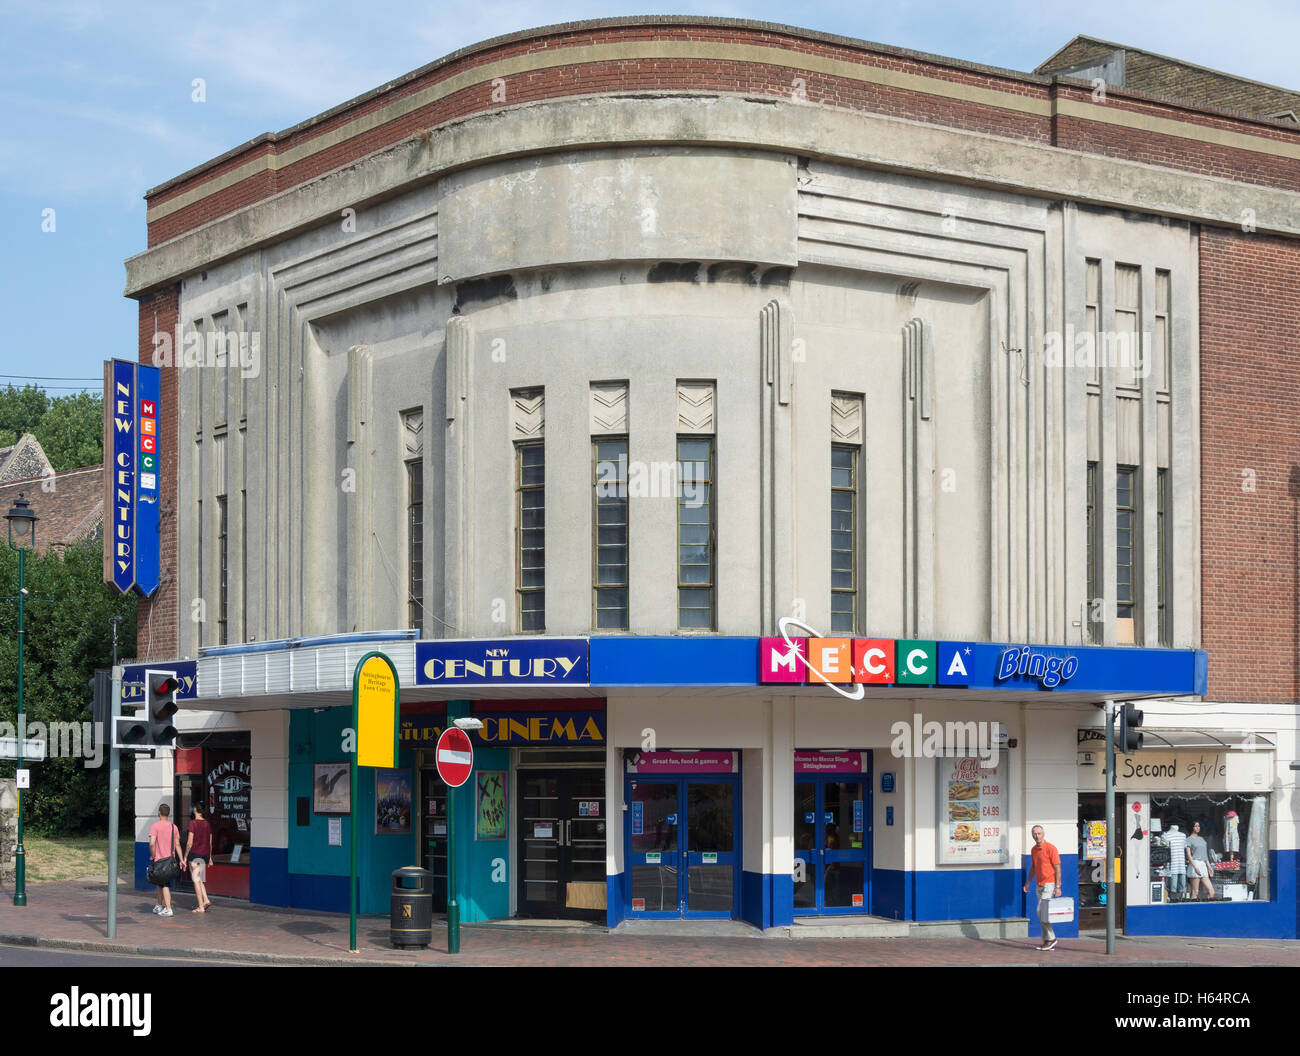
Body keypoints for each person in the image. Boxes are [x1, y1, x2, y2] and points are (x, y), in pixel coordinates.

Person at [1022, 824, 1062, 951]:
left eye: (1039, 833)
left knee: (1041, 911)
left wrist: (1058, 886)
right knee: (1043, 914)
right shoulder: (1034, 850)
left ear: (1043, 834)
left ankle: (1051, 938)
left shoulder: (1051, 848)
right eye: (1034, 834)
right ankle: (1047, 941)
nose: (1037, 836)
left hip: (1049, 884)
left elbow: (1057, 868)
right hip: (1039, 884)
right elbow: (1034, 868)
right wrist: (1028, 883)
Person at [148, 804, 180, 918]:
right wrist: (182, 859)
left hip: (160, 860)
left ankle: (168, 908)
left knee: (165, 884)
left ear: (159, 813)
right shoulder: (174, 827)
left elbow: (152, 843)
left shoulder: (155, 826)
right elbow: (177, 845)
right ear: (168, 813)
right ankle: (158, 905)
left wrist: (153, 855)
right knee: (160, 883)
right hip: (170, 861)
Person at [181, 803, 213, 913]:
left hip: (195, 854)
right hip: (204, 855)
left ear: (195, 809)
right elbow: (210, 842)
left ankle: (200, 906)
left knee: (196, 879)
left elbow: (189, 842)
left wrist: (185, 856)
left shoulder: (192, 823)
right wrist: (210, 857)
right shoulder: (207, 824)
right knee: (199, 879)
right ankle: (206, 900)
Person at [1186, 820, 1214, 901]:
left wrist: (1209, 867)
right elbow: (1189, 855)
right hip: (1195, 863)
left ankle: (1206, 906)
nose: (1198, 828)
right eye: (1195, 826)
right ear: (1192, 827)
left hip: (1203, 864)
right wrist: (1195, 867)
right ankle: (1192, 907)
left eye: (1198, 826)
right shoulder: (1188, 839)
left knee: (1211, 891)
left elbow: (1205, 855)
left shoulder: (1202, 839)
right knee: (1195, 892)